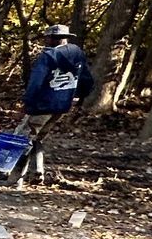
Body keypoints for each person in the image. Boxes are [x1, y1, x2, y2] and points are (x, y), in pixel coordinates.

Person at [9, 23, 95, 186]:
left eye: (47, 37)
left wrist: (26, 105)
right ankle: (37, 173)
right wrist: (76, 97)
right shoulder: (77, 53)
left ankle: (15, 179)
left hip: (42, 105)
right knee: (38, 138)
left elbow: (35, 84)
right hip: (63, 105)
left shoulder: (47, 57)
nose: (45, 40)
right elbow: (87, 80)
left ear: (51, 39)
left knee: (24, 138)